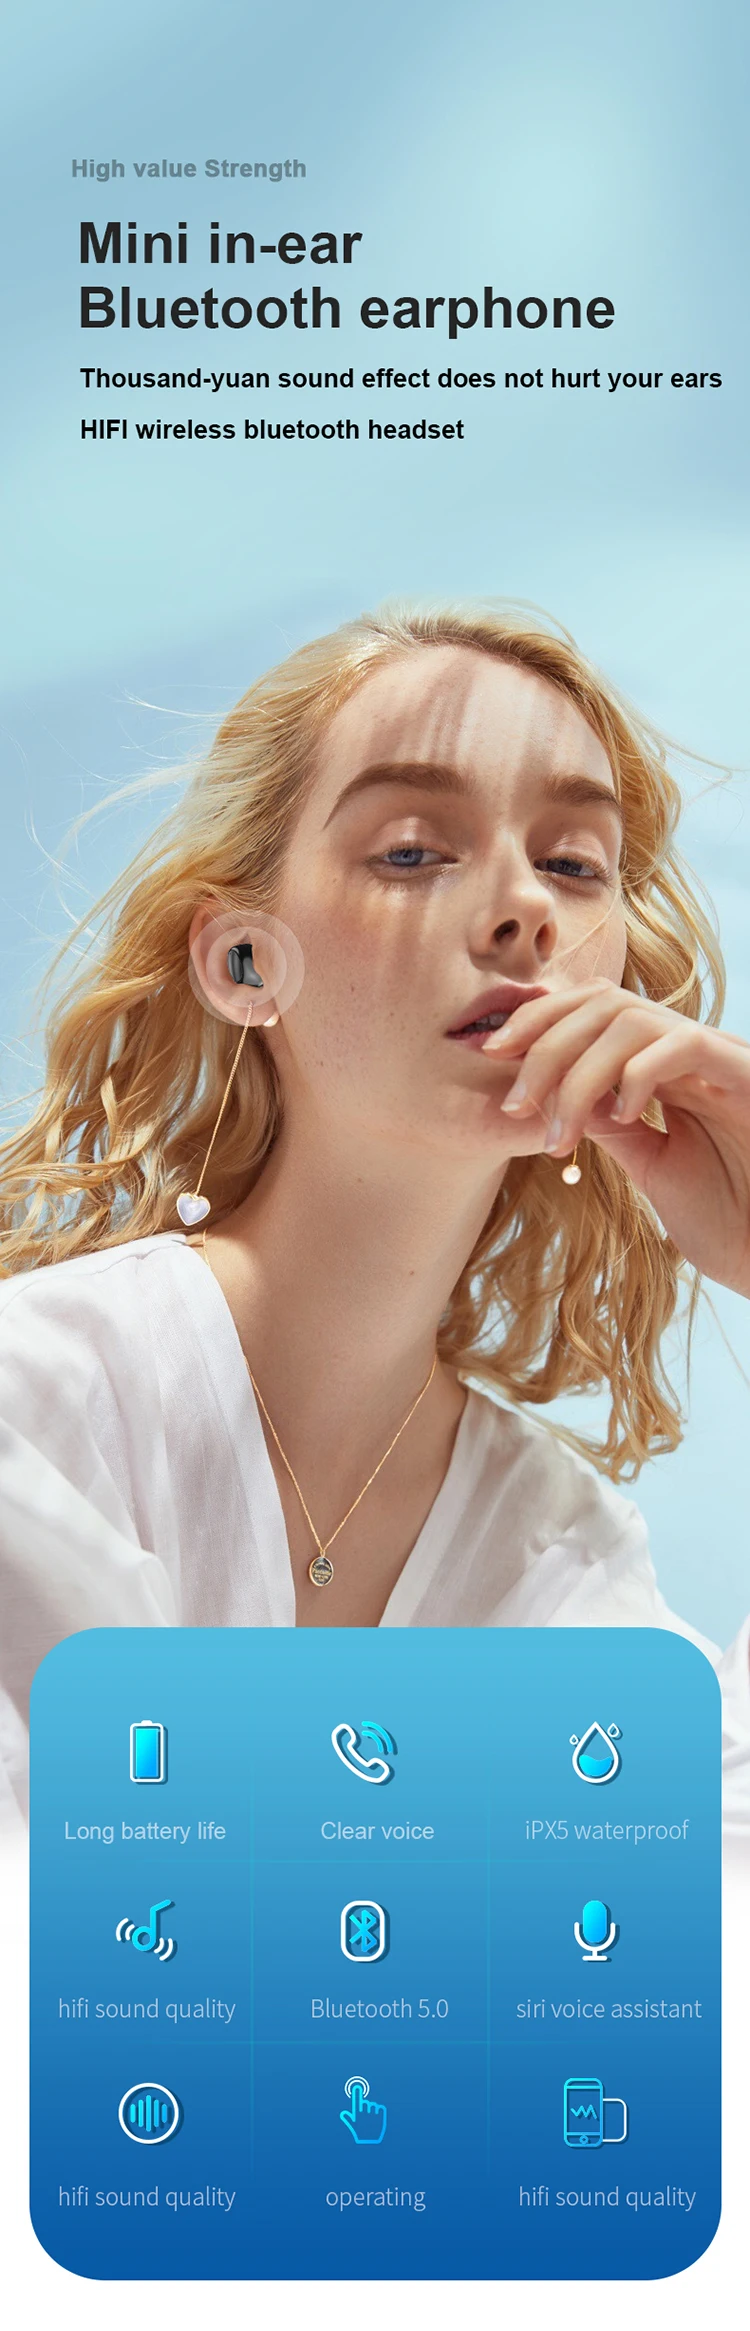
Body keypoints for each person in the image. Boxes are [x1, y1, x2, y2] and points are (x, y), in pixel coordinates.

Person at [0, 600, 748, 1830]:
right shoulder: (36, 1407)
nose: (526, 910)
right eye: (411, 851)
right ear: (244, 963)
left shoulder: (552, 1545)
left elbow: (717, 1872)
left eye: (574, 863)